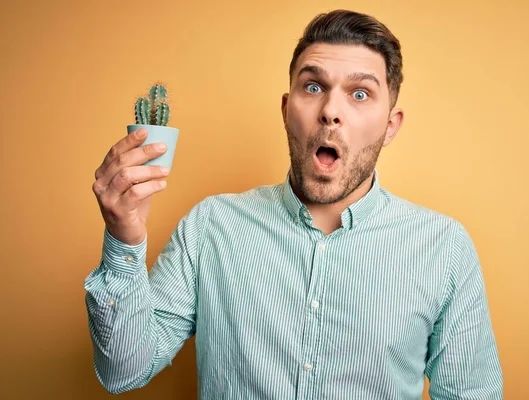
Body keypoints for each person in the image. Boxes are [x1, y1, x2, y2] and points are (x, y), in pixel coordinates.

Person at [85, 9, 503, 399]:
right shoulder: (210, 227)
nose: (330, 112)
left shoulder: (443, 248)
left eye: (360, 94)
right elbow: (123, 371)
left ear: (390, 126)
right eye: (314, 86)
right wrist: (124, 240)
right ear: (288, 110)